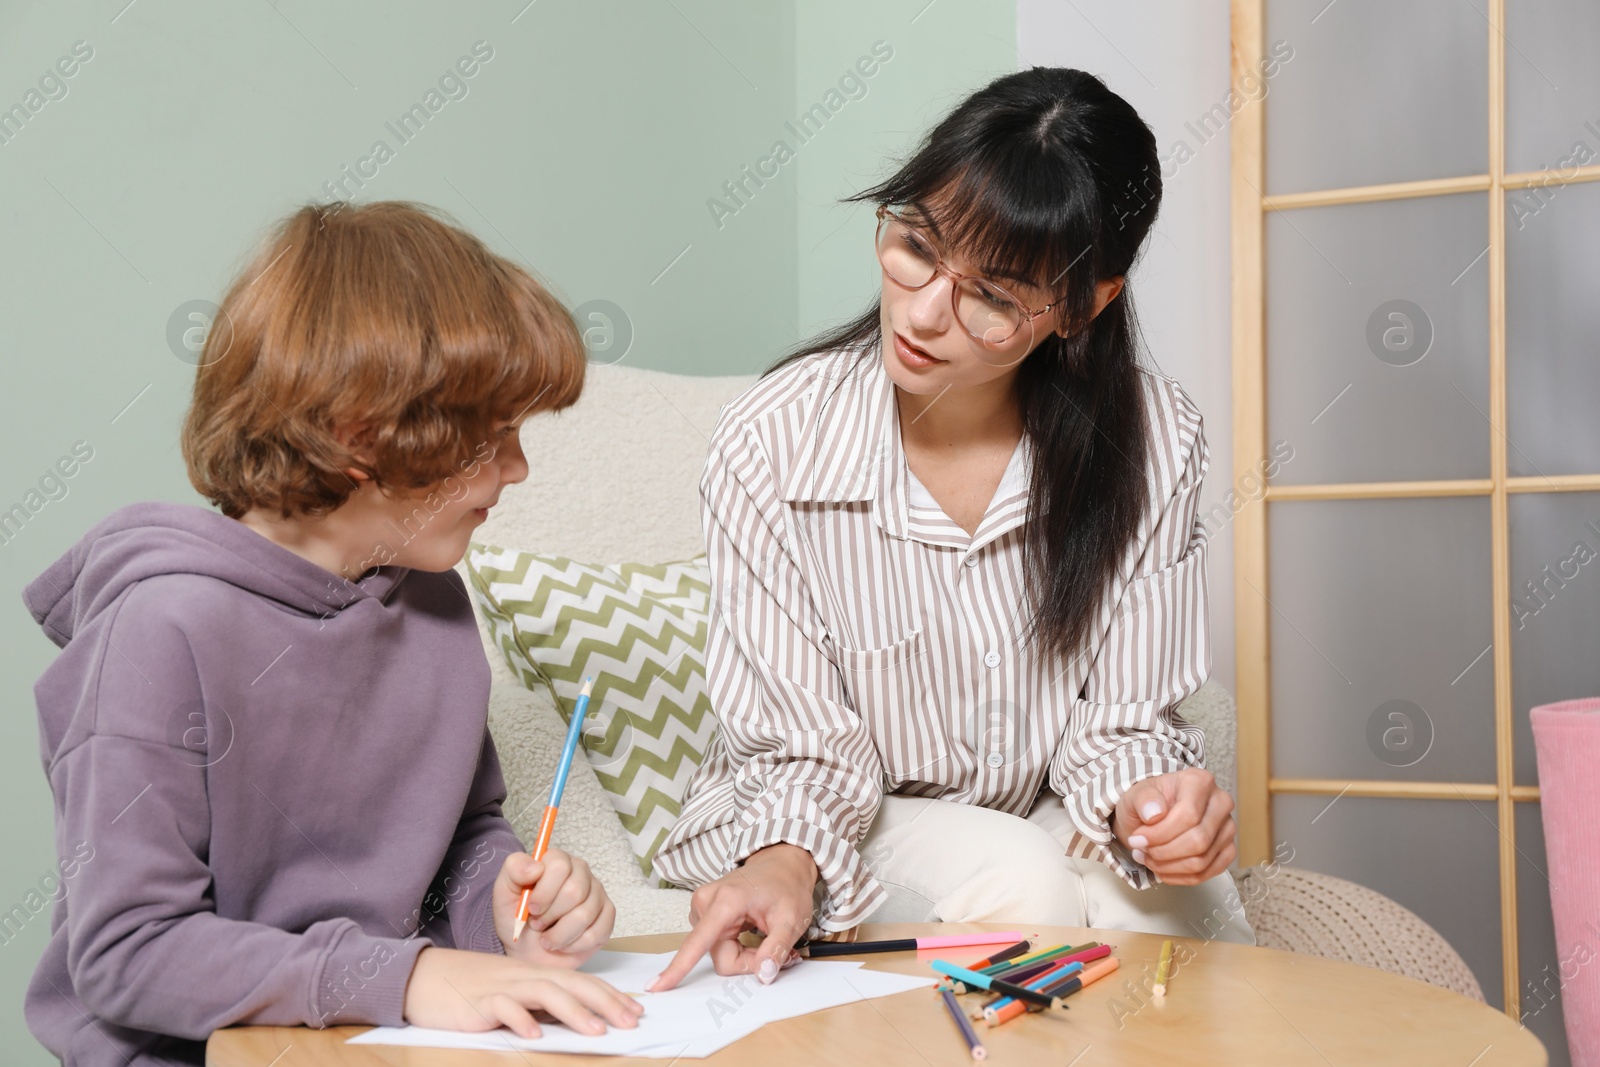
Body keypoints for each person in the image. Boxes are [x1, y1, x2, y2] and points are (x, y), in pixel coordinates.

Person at [649, 67, 1252, 992]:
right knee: (1020, 880)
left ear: (1085, 306)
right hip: (839, 812)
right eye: (916, 246)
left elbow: (1124, 721)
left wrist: (1156, 807)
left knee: (1180, 908)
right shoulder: (773, 439)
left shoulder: (1155, 442)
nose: (926, 312)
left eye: (997, 297)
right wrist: (785, 857)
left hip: (1043, 803)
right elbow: (803, 744)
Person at [22, 201, 642, 1065]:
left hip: (375, 1037)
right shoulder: (161, 629)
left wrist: (501, 905)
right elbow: (127, 951)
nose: (518, 468)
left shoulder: (432, 604)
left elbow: (460, 837)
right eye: (492, 436)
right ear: (362, 435)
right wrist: (411, 979)